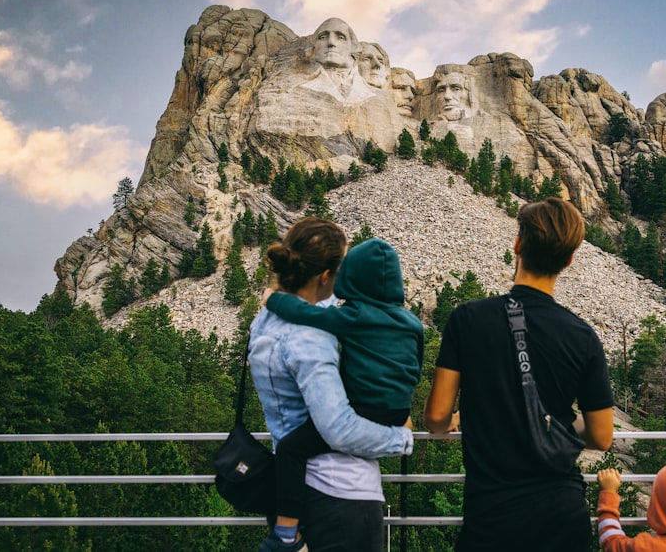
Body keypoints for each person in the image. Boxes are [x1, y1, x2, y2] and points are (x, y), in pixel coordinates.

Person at [424, 197, 615, 552]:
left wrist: (464, 418)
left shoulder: (467, 319)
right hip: (562, 515)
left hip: (492, 517)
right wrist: (552, 426)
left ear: (518, 245)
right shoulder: (582, 336)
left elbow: (436, 417)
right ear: (569, 261)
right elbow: (602, 436)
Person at [249, 217, 414, 552]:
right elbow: (338, 429)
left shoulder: (265, 320)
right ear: (325, 277)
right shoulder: (309, 337)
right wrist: (401, 438)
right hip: (340, 497)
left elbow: (315, 305)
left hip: (292, 494)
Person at [298, 18, 377, 104]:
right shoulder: (299, 89)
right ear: (314, 47)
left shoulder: (376, 94)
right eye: (323, 37)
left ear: (353, 47)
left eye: (340, 37)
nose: (331, 43)